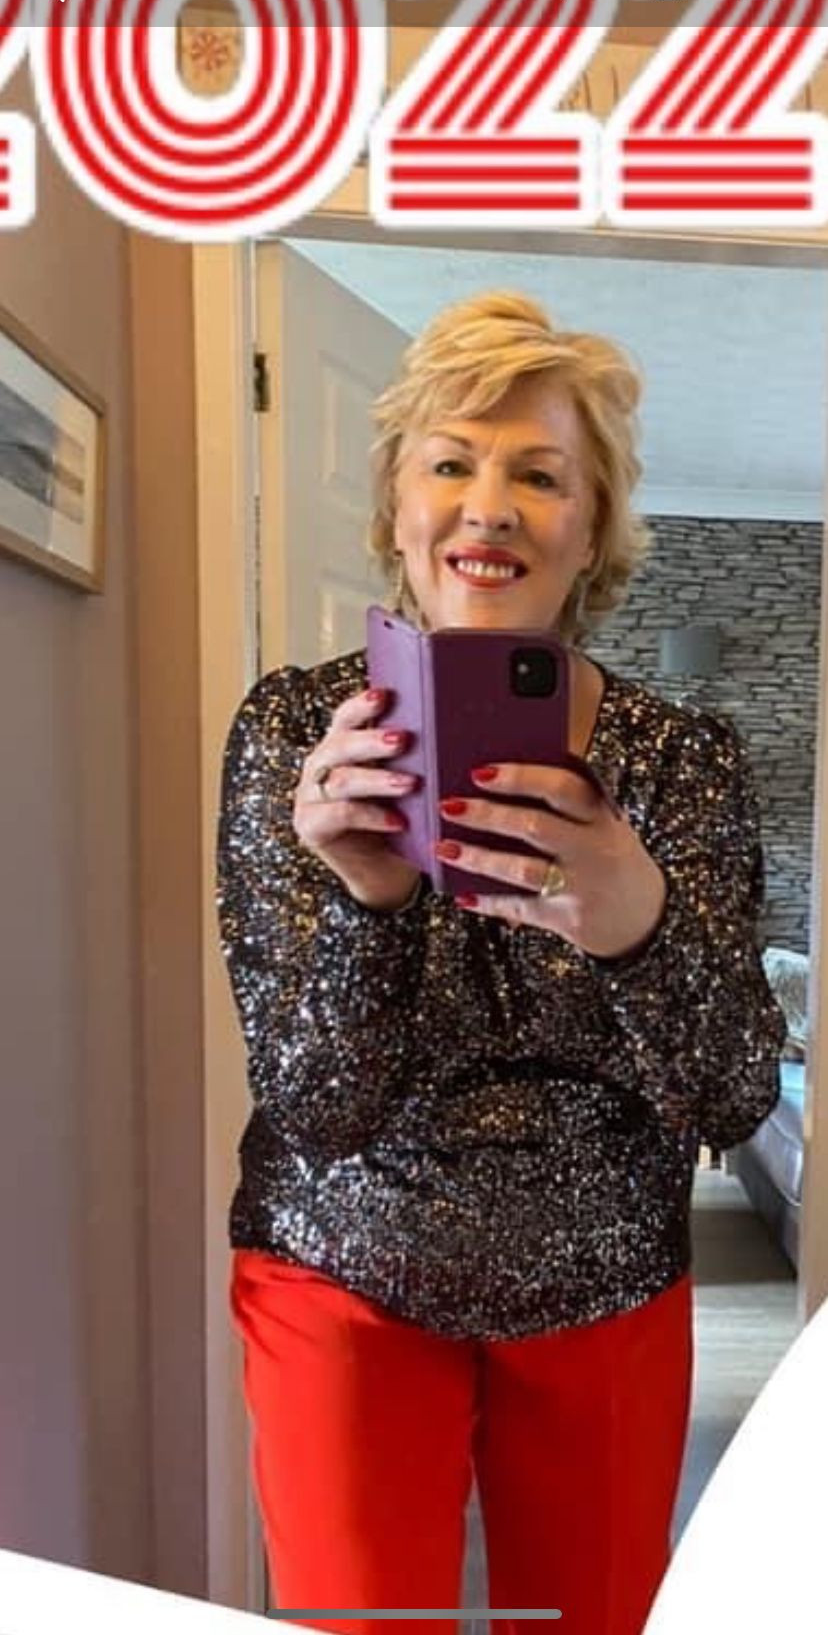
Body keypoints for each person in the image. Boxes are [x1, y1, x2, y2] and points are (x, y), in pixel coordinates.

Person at [217, 292, 787, 1635]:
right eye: (450, 462)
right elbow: (316, 1106)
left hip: (606, 1288)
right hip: (343, 1277)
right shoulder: (295, 734)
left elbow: (734, 1095)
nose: (489, 508)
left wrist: (640, 925)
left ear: (593, 528)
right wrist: (368, 902)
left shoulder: (682, 763)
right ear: (396, 503)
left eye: (541, 475)